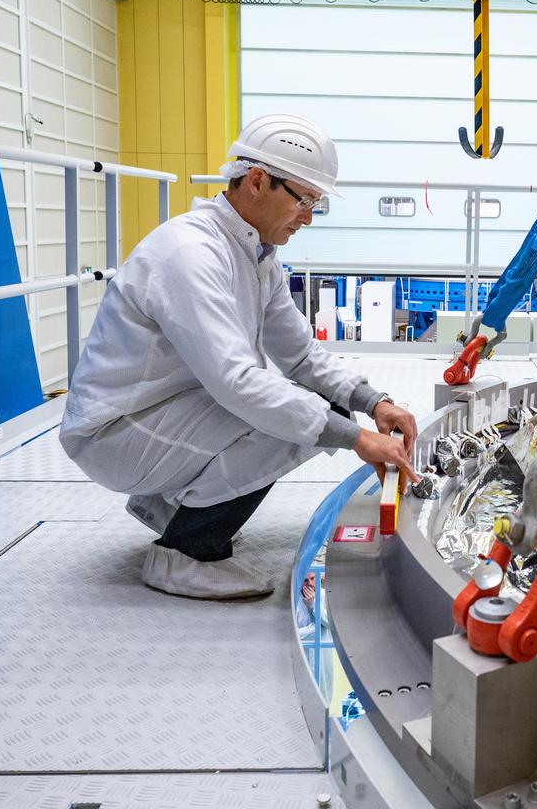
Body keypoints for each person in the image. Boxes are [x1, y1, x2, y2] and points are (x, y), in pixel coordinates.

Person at [59, 114, 419, 600]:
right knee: (290, 419)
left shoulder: (254, 254)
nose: (309, 217)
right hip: (116, 432)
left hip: (158, 414)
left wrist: (375, 402)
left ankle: (167, 507)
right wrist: (357, 439)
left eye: (317, 203)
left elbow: (301, 355)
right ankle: (186, 553)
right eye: (305, 200)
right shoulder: (191, 253)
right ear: (256, 181)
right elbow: (236, 381)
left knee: (319, 406)